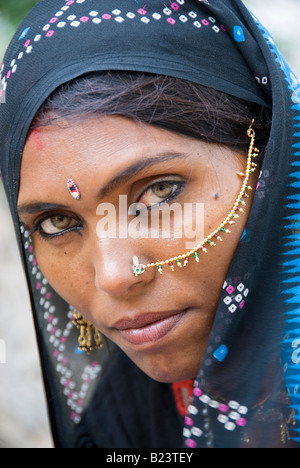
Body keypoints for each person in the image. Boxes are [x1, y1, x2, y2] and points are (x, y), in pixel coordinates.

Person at [0, 0, 299, 449]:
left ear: (270, 158)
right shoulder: (124, 418)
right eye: (57, 222)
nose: (114, 278)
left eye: (158, 193)